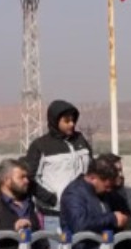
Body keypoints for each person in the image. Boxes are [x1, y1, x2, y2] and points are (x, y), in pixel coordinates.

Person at [25, 99, 93, 233]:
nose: (71, 124)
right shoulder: (40, 146)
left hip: (82, 211)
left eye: (73, 120)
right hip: (54, 214)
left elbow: (92, 168)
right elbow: (29, 178)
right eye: (66, 121)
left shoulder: (80, 140)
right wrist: (51, 198)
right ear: (55, 121)